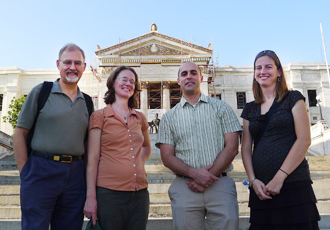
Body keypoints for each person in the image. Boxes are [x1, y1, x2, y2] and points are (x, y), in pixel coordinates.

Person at [13, 43, 93, 230]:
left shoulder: (87, 102)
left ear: (84, 67)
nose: (72, 67)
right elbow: (19, 134)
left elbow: (88, 144)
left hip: (75, 173)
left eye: (77, 63)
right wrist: (25, 173)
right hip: (41, 170)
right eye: (67, 62)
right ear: (58, 64)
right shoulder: (41, 92)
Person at [156, 61, 242, 230]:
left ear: (201, 78)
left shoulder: (222, 108)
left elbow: (232, 147)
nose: (189, 76)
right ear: (178, 81)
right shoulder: (169, 117)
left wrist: (207, 177)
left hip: (220, 184)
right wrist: (194, 174)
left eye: (193, 73)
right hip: (185, 186)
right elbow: (166, 157)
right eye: (184, 74)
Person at [241, 50, 320, 230]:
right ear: (254, 73)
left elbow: (304, 140)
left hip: (294, 184)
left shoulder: (293, 98)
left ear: (279, 72)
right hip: (261, 189)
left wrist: (280, 177)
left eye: (268, 67)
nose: (263, 71)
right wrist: (253, 180)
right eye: (258, 68)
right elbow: (245, 148)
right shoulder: (249, 109)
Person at [84, 66, 151, 230]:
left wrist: (136, 162)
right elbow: (91, 159)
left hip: (140, 194)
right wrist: (90, 197)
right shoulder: (99, 116)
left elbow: (147, 147)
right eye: (124, 79)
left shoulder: (140, 117)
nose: (129, 83)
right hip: (109, 194)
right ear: (113, 82)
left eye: (132, 81)